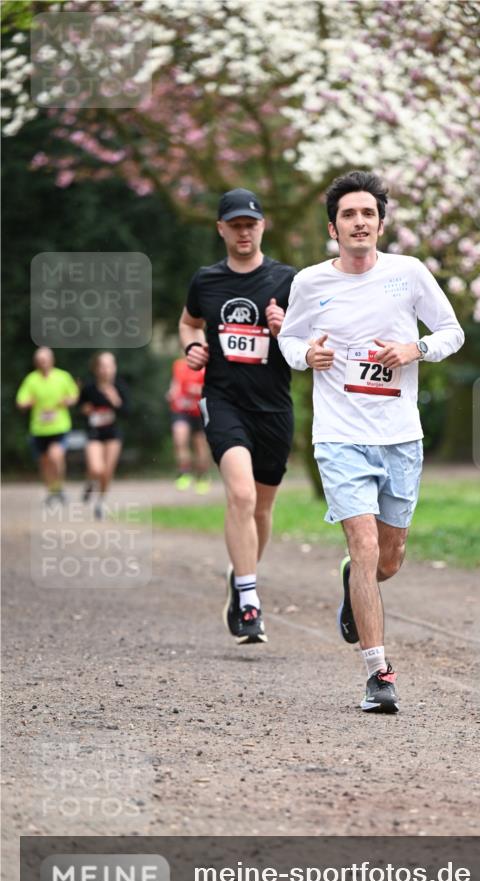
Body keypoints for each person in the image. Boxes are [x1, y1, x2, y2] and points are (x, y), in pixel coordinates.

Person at [279, 170, 465, 713]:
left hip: (400, 436)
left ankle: (352, 583)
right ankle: (378, 674)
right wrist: (304, 357)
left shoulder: (408, 274)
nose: (358, 222)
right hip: (339, 437)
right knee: (362, 548)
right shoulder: (310, 283)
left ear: (381, 223)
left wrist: (417, 351)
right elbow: (289, 339)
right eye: (348, 215)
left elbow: (452, 332)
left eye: (367, 214)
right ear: (333, 227)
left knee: (389, 559)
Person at [178, 188, 296, 644]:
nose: (244, 231)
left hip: (274, 407)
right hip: (224, 400)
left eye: (251, 223)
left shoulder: (288, 280)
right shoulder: (206, 281)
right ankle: (249, 601)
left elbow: (310, 341)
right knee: (242, 497)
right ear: (221, 228)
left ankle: (239, 576)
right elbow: (188, 321)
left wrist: (284, 329)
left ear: (262, 226)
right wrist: (191, 345)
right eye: (235, 224)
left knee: (262, 509)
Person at [16, 346, 79, 506]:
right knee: (44, 462)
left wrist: (68, 401)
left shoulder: (63, 376)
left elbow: (74, 395)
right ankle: (52, 490)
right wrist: (26, 403)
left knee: (55, 456)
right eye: (39, 361)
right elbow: (20, 401)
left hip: (59, 427)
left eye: (44, 360)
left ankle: (59, 487)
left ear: (52, 360)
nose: (42, 363)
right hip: (39, 429)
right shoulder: (31, 380)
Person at [79, 351, 129, 518]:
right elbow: (80, 407)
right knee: (96, 468)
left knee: (107, 471)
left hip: (113, 434)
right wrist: (85, 410)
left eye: (110, 365)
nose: (106, 369)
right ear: (96, 368)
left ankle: (100, 502)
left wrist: (115, 400)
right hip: (94, 433)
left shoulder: (120, 387)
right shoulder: (89, 387)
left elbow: (127, 412)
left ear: (114, 368)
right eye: (103, 366)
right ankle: (90, 482)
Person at [166, 358, 210, 493]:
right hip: (181, 409)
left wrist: (196, 390)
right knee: (180, 439)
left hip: (200, 411)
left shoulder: (207, 366)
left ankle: (202, 477)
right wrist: (172, 392)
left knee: (200, 446)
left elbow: (212, 389)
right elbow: (176, 383)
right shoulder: (178, 364)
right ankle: (184, 473)